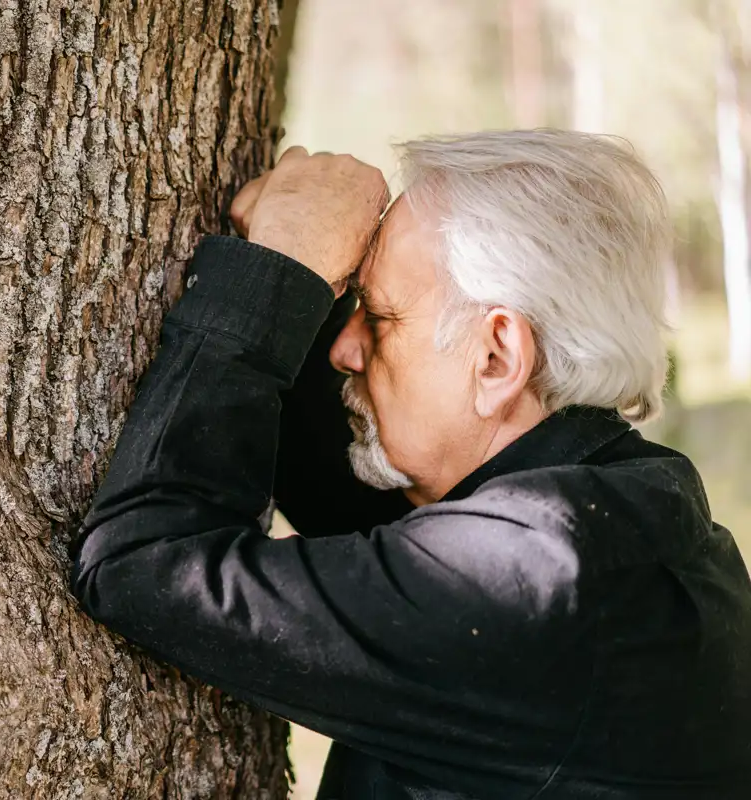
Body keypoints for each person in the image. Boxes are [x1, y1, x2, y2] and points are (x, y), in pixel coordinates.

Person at [70, 130, 751, 799]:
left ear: (496, 359)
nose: (344, 349)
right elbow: (341, 501)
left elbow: (140, 564)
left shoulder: (533, 580)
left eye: (379, 316)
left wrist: (271, 277)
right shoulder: (629, 510)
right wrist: (309, 266)